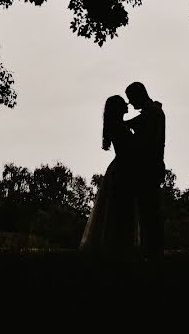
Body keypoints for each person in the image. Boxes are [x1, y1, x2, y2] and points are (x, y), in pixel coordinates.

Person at [79, 95, 139, 257]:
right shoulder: (119, 127)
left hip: (119, 167)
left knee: (115, 210)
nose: (127, 104)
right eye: (123, 104)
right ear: (118, 108)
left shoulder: (116, 125)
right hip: (123, 169)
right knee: (120, 209)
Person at [124, 81, 165, 260]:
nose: (131, 104)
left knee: (149, 211)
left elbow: (144, 140)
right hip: (150, 168)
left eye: (131, 99)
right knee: (148, 210)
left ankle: (152, 250)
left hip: (148, 169)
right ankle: (151, 249)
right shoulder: (153, 112)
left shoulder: (152, 114)